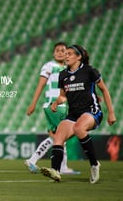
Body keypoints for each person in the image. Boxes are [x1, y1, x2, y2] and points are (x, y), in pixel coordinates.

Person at [41, 44, 116, 184]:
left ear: (79, 57)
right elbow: (63, 96)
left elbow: (104, 90)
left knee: (78, 128)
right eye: (65, 53)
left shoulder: (89, 71)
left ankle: (94, 164)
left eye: (69, 53)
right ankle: (55, 171)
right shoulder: (63, 75)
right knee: (58, 136)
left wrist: (111, 113)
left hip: (91, 111)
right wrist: (56, 102)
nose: (66, 56)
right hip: (73, 114)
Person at [24, 42, 78, 174]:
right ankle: (60, 166)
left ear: (67, 53)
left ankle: (33, 160)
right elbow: (41, 85)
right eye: (57, 50)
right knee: (61, 135)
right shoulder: (50, 66)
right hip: (54, 105)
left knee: (57, 136)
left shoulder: (68, 69)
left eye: (63, 50)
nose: (60, 52)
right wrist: (33, 103)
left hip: (61, 106)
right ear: (53, 54)